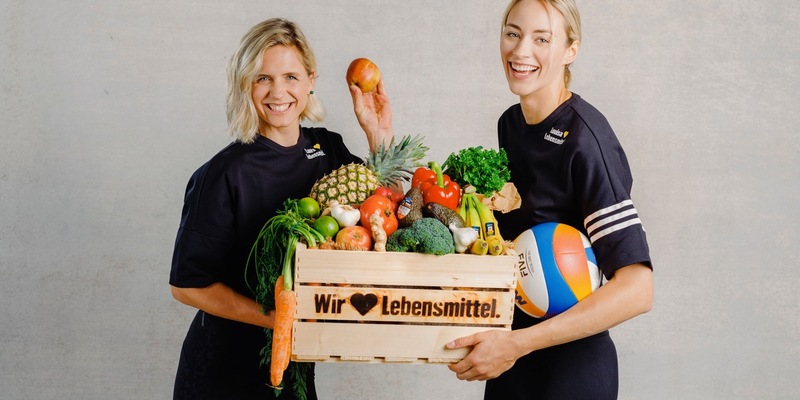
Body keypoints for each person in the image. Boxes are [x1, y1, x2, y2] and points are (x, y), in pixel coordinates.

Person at [169, 18, 392, 399]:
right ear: (246, 85)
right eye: (262, 78)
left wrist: (377, 133)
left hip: (295, 370)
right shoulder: (225, 172)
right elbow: (187, 286)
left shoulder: (328, 151)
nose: (278, 92)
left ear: (310, 80)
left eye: (290, 76)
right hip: (225, 373)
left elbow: (387, 213)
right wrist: (276, 319)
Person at [446, 1, 654, 399]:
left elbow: (638, 288)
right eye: (513, 33)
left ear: (570, 49)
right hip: (510, 359)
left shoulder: (586, 141)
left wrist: (519, 344)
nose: (521, 51)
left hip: (570, 371)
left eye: (542, 38)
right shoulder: (511, 123)